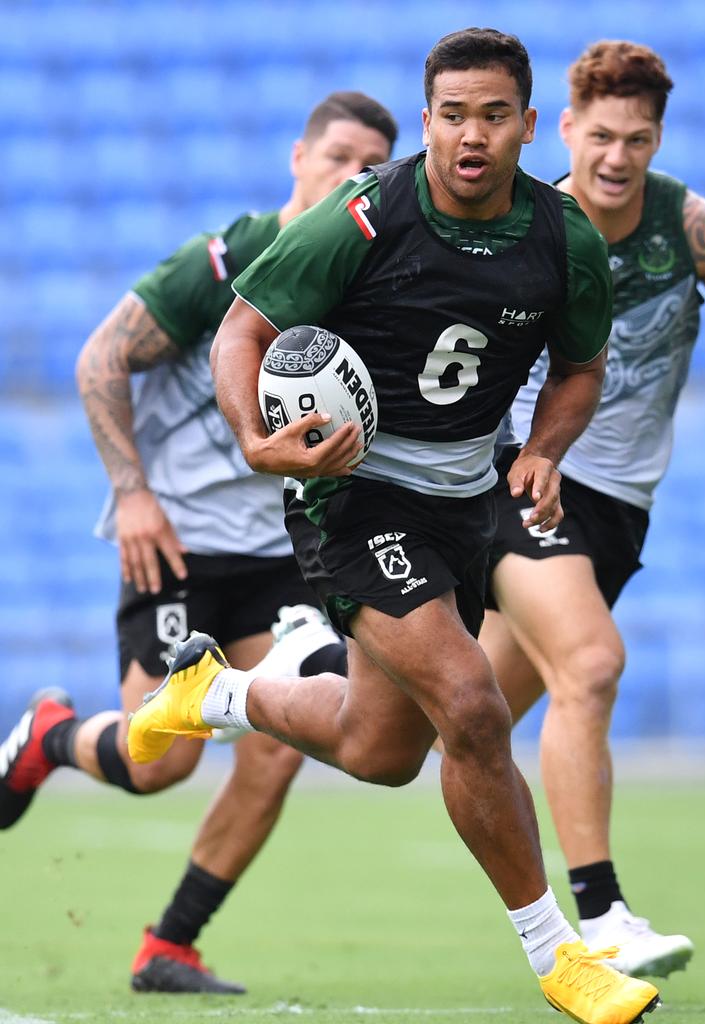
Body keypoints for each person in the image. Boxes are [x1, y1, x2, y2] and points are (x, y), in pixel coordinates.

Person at [128, 28, 663, 1024]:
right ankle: (563, 956)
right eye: (453, 114)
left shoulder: (562, 236)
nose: (472, 134)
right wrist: (257, 439)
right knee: (471, 703)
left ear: (527, 126)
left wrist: (545, 447)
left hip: (468, 503)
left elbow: (583, 363)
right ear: (426, 124)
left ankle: (216, 693)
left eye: (494, 115)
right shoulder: (364, 218)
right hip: (353, 493)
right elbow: (244, 327)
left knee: (381, 750)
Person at [0, 92, 396, 994]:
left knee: (289, 734)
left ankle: (170, 944)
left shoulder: (366, 276)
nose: (351, 175)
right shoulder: (226, 259)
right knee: (159, 762)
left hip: (281, 553)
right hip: (176, 543)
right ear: (298, 157)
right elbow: (100, 357)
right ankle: (50, 736)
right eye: (337, 155)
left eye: (370, 164)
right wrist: (132, 494)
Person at [480, 39, 705, 978]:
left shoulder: (696, 228)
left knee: (420, 729)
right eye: (600, 135)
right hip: (520, 482)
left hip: (619, 513)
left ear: (657, 138)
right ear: (563, 129)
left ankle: (244, 690)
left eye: (636, 139)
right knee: (594, 663)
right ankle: (601, 916)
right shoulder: (523, 227)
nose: (616, 157)